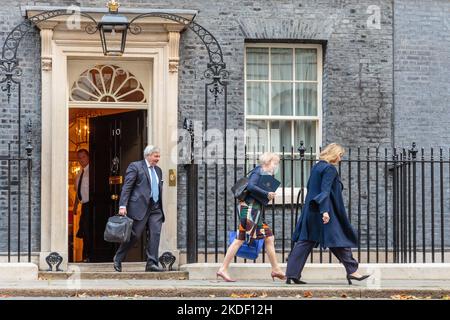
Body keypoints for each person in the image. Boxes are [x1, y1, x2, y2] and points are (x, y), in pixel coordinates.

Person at [286, 143, 370, 285]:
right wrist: (324, 211)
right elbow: (325, 191)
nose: (340, 159)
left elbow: (313, 188)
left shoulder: (317, 167)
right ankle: (352, 271)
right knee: (339, 238)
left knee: (306, 241)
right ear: (334, 154)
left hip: (311, 209)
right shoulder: (329, 169)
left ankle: (292, 274)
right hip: (324, 210)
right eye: (340, 156)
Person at [216, 152, 285, 282]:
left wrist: (267, 195)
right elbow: (251, 186)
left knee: (266, 237)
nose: (275, 166)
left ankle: (275, 269)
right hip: (249, 210)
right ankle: (223, 269)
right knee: (241, 239)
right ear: (268, 162)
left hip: (254, 210)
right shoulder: (258, 172)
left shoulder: (264, 174)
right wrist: (267, 193)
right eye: (274, 163)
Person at [113, 145, 165, 272]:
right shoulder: (135, 167)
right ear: (148, 155)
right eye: (155, 156)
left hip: (156, 208)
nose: (158, 159)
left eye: (159, 156)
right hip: (139, 207)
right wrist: (122, 205)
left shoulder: (158, 170)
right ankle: (118, 258)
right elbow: (127, 187)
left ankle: (152, 263)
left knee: (155, 234)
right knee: (134, 235)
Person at [73, 149, 92, 263]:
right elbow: (77, 191)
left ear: (88, 157)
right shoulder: (79, 173)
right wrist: (75, 206)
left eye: (83, 157)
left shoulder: (92, 171)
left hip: (92, 204)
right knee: (84, 231)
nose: (81, 160)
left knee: (89, 230)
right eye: (79, 158)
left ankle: (90, 255)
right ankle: (86, 256)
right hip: (84, 205)